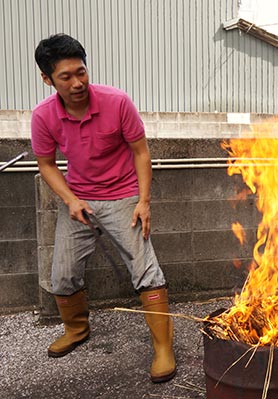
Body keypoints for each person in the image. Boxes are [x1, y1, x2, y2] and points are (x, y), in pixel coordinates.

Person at [31, 34, 176, 382]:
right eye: (66, 76)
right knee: (62, 276)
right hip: (79, 198)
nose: (78, 82)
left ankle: (163, 349)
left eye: (81, 72)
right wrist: (70, 200)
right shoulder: (43, 116)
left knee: (146, 271)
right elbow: (46, 164)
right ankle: (77, 330)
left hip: (124, 195)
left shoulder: (117, 102)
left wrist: (144, 202)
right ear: (47, 79)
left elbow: (141, 152)